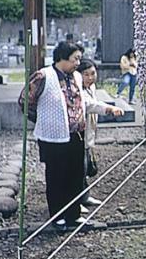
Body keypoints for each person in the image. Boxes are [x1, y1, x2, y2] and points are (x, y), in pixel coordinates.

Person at [19, 41, 123, 230]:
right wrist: (43, 120)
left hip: (77, 134)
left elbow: (85, 102)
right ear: (62, 57)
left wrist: (108, 109)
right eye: (75, 59)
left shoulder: (75, 76)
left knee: (75, 176)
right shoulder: (43, 76)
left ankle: (73, 215)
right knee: (57, 176)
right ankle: (57, 216)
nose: (78, 63)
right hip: (53, 138)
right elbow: (25, 101)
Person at [77, 59, 108, 212]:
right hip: (78, 136)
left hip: (88, 135)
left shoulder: (92, 87)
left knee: (85, 168)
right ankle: (75, 203)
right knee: (78, 170)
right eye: (86, 74)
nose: (90, 77)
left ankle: (85, 197)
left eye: (93, 73)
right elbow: (89, 105)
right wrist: (108, 109)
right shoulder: (77, 90)